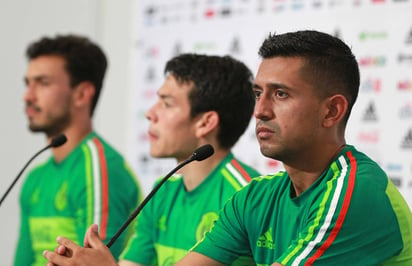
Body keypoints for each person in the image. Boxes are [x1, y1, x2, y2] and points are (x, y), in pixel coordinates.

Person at [173, 30, 412, 265]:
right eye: (258, 93)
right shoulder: (254, 199)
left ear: (331, 111)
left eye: (280, 94)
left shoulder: (356, 190)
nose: (260, 111)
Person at [42, 53, 261, 265]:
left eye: (167, 104)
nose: (150, 113)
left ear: (205, 122)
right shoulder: (162, 192)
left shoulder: (248, 196)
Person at [15, 34, 142, 266]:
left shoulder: (100, 169)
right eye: (27, 83)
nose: (28, 95)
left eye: (43, 83)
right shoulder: (35, 178)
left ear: (82, 94)